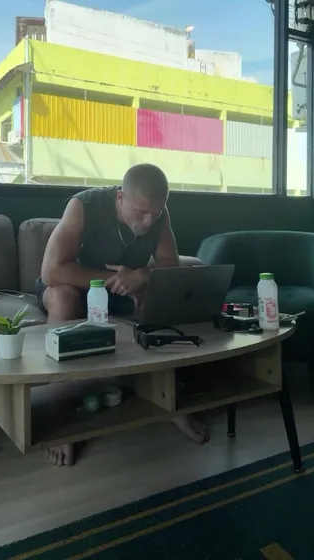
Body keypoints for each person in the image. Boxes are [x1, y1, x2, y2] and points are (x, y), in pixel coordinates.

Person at [37, 163, 208, 466]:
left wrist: (141, 275)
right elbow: (51, 271)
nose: (148, 221)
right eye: (141, 212)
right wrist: (116, 280)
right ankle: (62, 419)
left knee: (164, 294)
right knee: (64, 298)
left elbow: (169, 263)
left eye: (155, 213)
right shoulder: (83, 206)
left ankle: (167, 402)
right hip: (73, 287)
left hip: (120, 291)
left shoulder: (159, 216)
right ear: (120, 198)